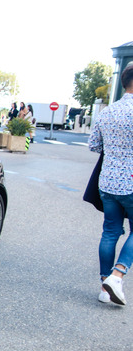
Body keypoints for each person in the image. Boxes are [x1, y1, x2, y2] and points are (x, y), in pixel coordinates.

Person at [88, 64, 133, 306]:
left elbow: (94, 145)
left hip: (107, 181)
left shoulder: (107, 112)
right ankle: (117, 275)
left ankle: (105, 287)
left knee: (110, 232)